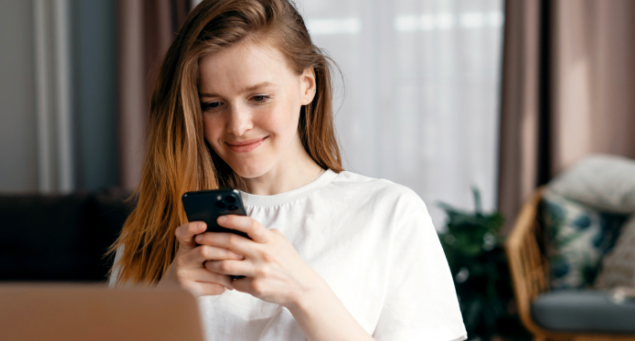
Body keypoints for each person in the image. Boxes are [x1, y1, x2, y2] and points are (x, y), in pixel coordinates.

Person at [108, 0, 465, 339]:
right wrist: (165, 300)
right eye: (213, 104)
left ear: (307, 85)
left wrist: (302, 292)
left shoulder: (389, 213)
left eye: (259, 98)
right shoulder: (155, 229)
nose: (238, 125)